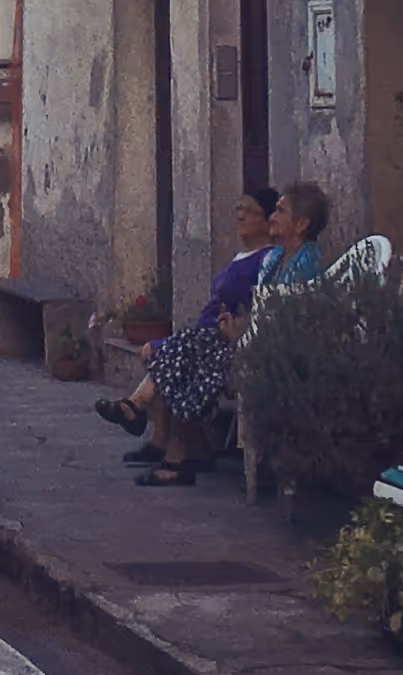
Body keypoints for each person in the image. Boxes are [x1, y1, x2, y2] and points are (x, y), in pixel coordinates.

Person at [92, 186, 278, 486]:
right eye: (239, 208)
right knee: (174, 351)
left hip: (222, 340)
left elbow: (253, 309)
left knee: (178, 356)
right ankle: (160, 439)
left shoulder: (267, 260)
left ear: (269, 221)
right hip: (206, 336)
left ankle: (155, 429)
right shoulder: (244, 255)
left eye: (251, 211)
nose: (241, 215)